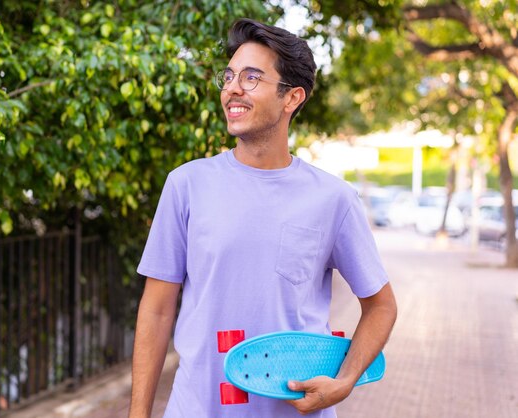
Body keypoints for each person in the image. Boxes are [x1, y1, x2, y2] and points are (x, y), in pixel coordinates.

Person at [129, 18, 397, 418]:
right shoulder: (187, 185)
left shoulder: (333, 199)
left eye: (252, 78)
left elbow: (381, 306)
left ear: (291, 99)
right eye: (230, 76)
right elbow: (157, 309)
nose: (233, 88)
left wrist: (342, 384)